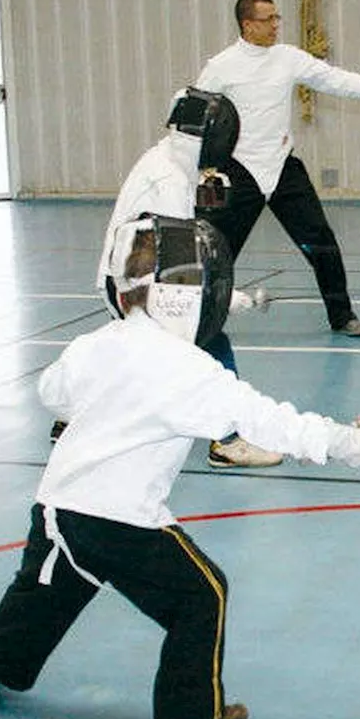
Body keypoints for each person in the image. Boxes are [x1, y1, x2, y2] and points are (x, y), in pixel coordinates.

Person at [0, 215, 360, 719]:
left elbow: (52, 393)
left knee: (43, 596)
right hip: (123, 521)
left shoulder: (98, 343)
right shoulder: (188, 370)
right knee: (202, 596)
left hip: (58, 510)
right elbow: (269, 421)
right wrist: (352, 444)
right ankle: (188, 714)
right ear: (178, 297)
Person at [195, 0, 360, 337]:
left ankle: (342, 315)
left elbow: (338, 80)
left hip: (283, 168)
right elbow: (197, 119)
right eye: (267, 19)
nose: (276, 25)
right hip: (239, 172)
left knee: (321, 241)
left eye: (277, 18)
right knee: (216, 249)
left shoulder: (288, 58)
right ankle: (194, 316)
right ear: (247, 25)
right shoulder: (220, 68)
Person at [92, 86, 283, 468]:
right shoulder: (170, 183)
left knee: (140, 355)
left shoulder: (164, 158)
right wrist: (232, 300)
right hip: (136, 289)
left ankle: (75, 415)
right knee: (211, 344)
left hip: (126, 279)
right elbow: (178, 271)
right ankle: (227, 441)